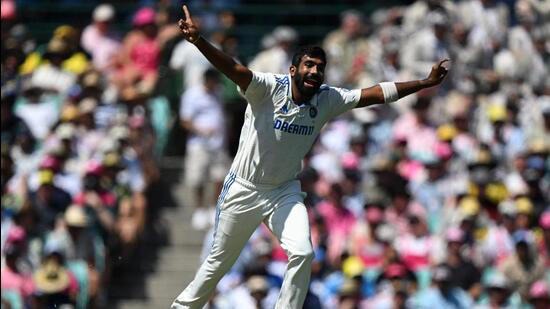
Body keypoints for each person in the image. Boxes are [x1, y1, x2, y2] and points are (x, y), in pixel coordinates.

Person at [171, 5, 449, 309]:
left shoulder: (327, 98)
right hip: (244, 188)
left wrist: (424, 83)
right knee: (217, 265)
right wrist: (199, 41)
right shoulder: (267, 88)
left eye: (320, 67)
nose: (315, 72)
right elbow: (235, 70)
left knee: (302, 253)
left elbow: (374, 93)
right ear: (293, 69)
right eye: (309, 65)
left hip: (283, 191)